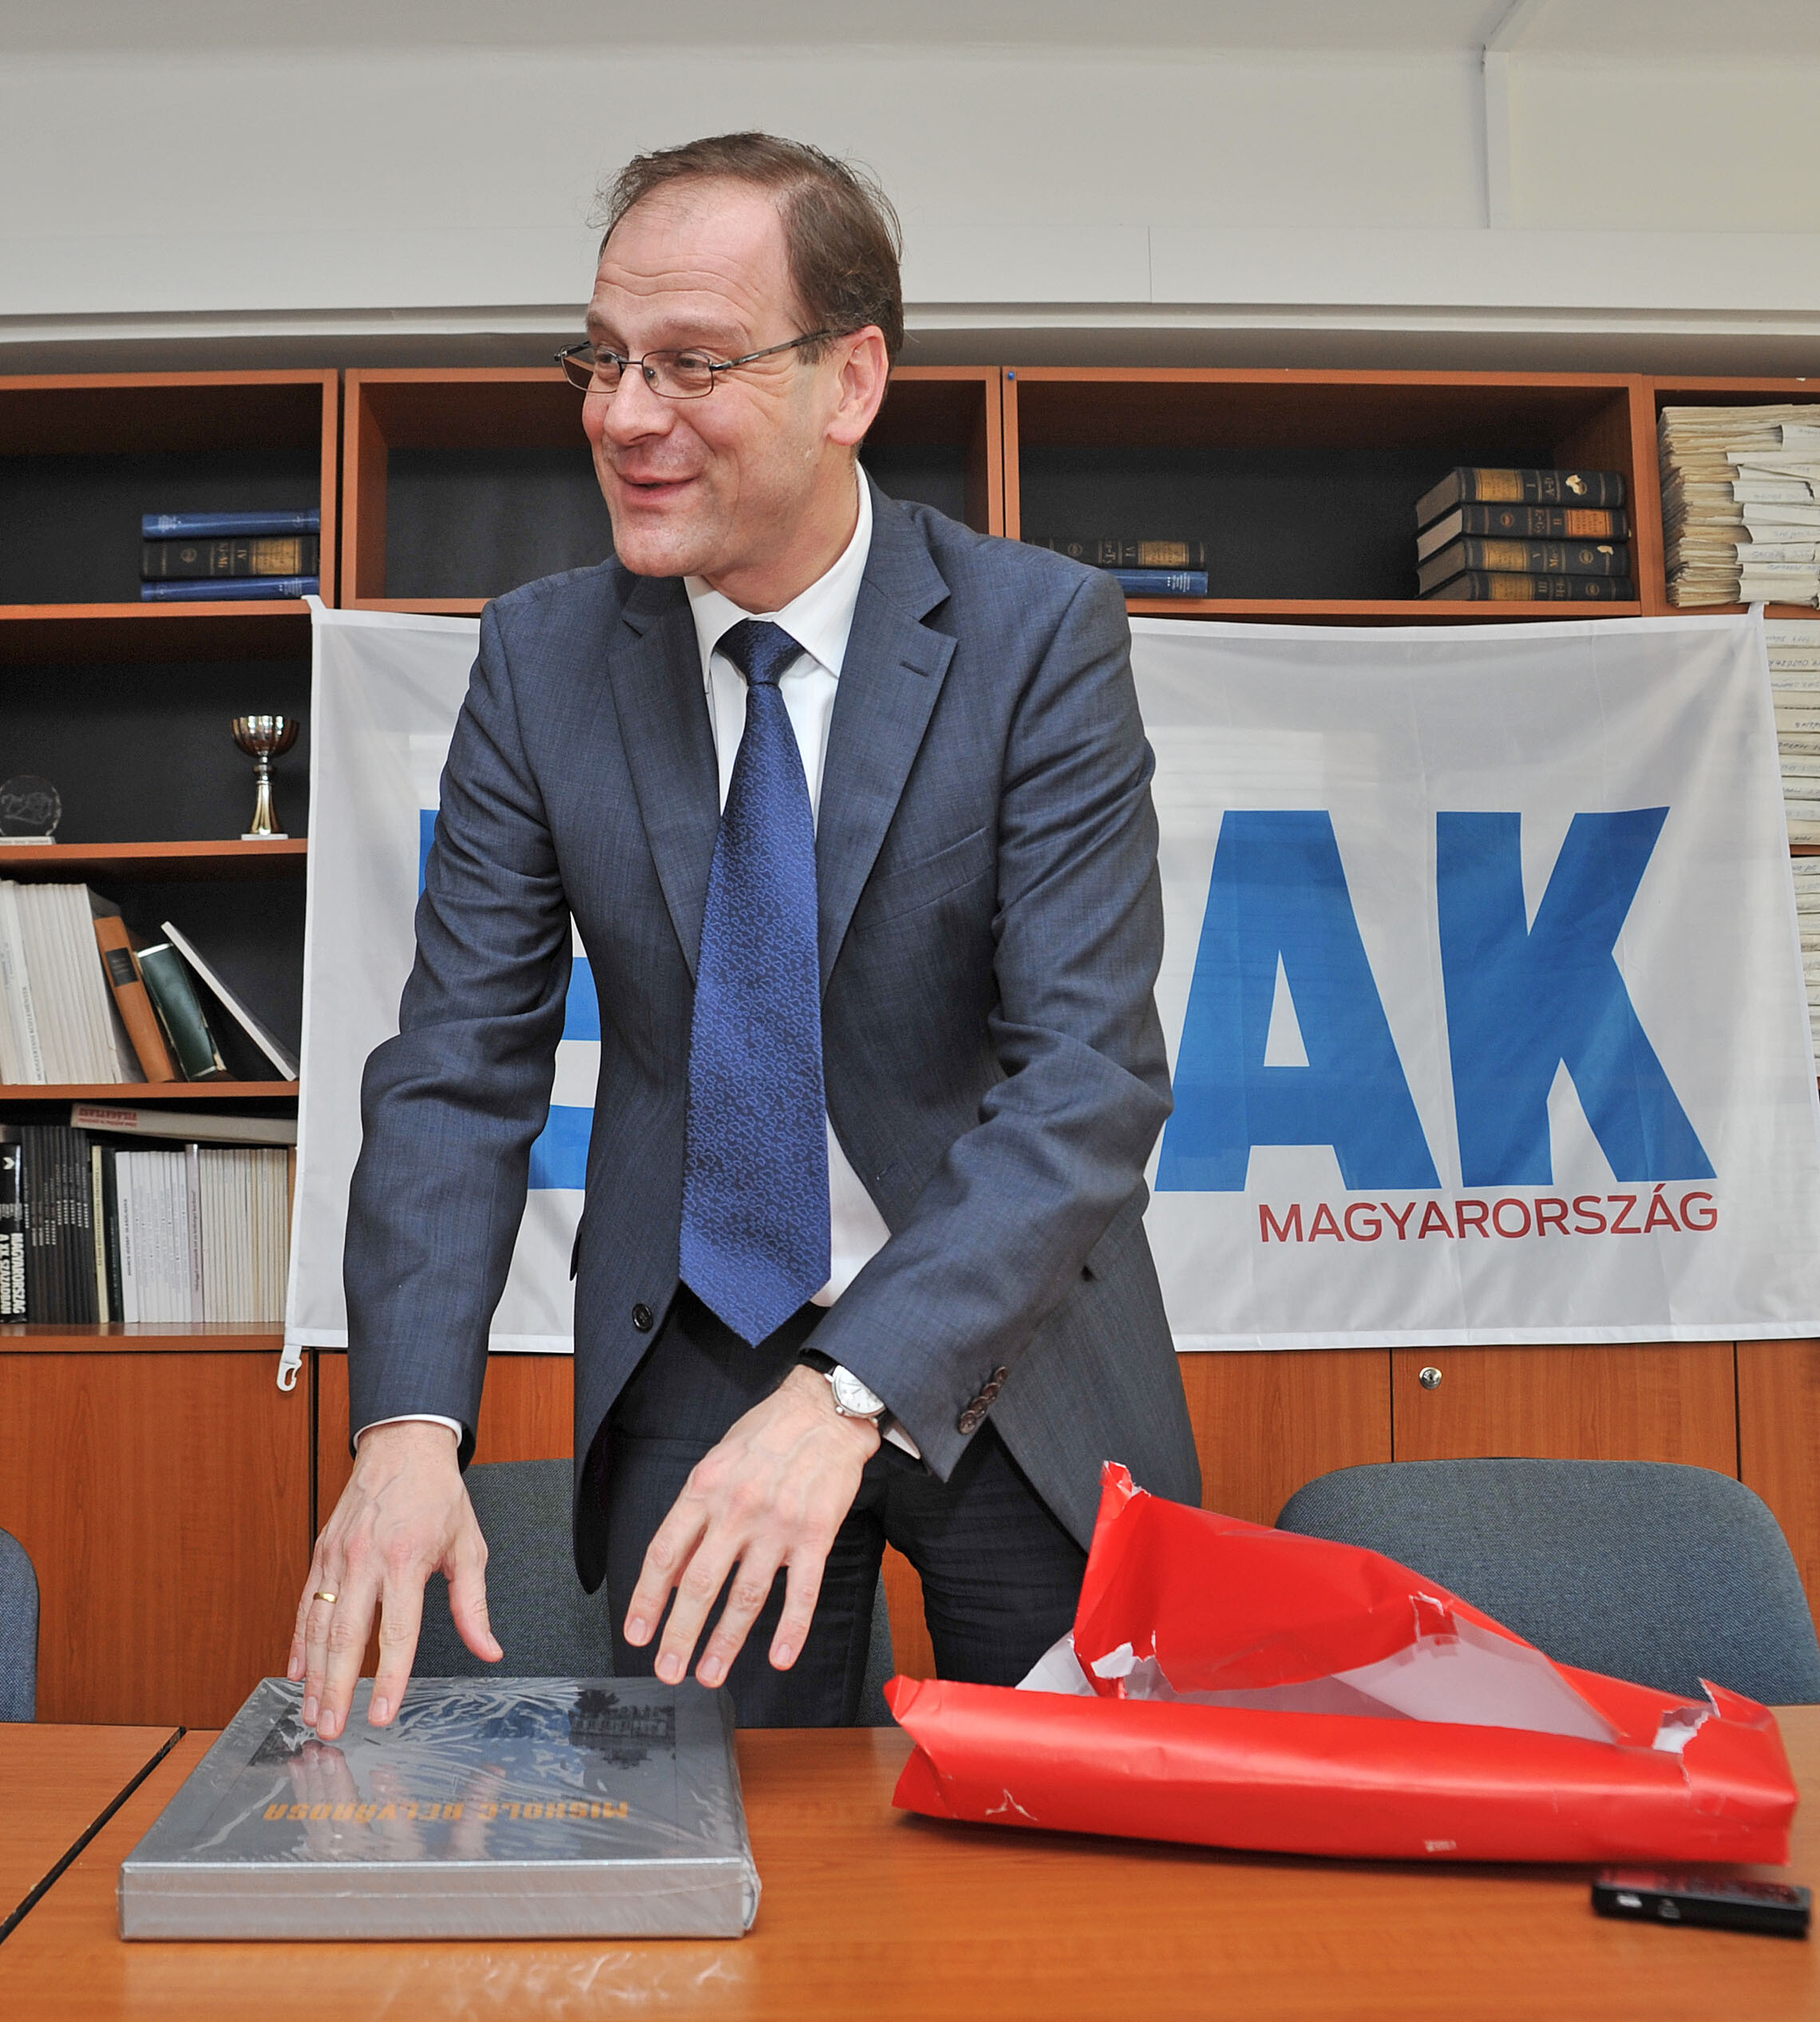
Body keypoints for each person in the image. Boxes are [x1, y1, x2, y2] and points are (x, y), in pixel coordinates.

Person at [292, 131, 1199, 1738]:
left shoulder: (1036, 636)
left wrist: (854, 1387)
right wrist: (408, 1424)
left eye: (691, 364)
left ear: (850, 380)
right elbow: (457, 1070)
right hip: (700, 1346)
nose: (623, 415)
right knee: (711, 1842)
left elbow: (1087, 1084)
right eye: (603, 359)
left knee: (1089, 1830)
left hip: (1013, 1343)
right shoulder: (540, 662)